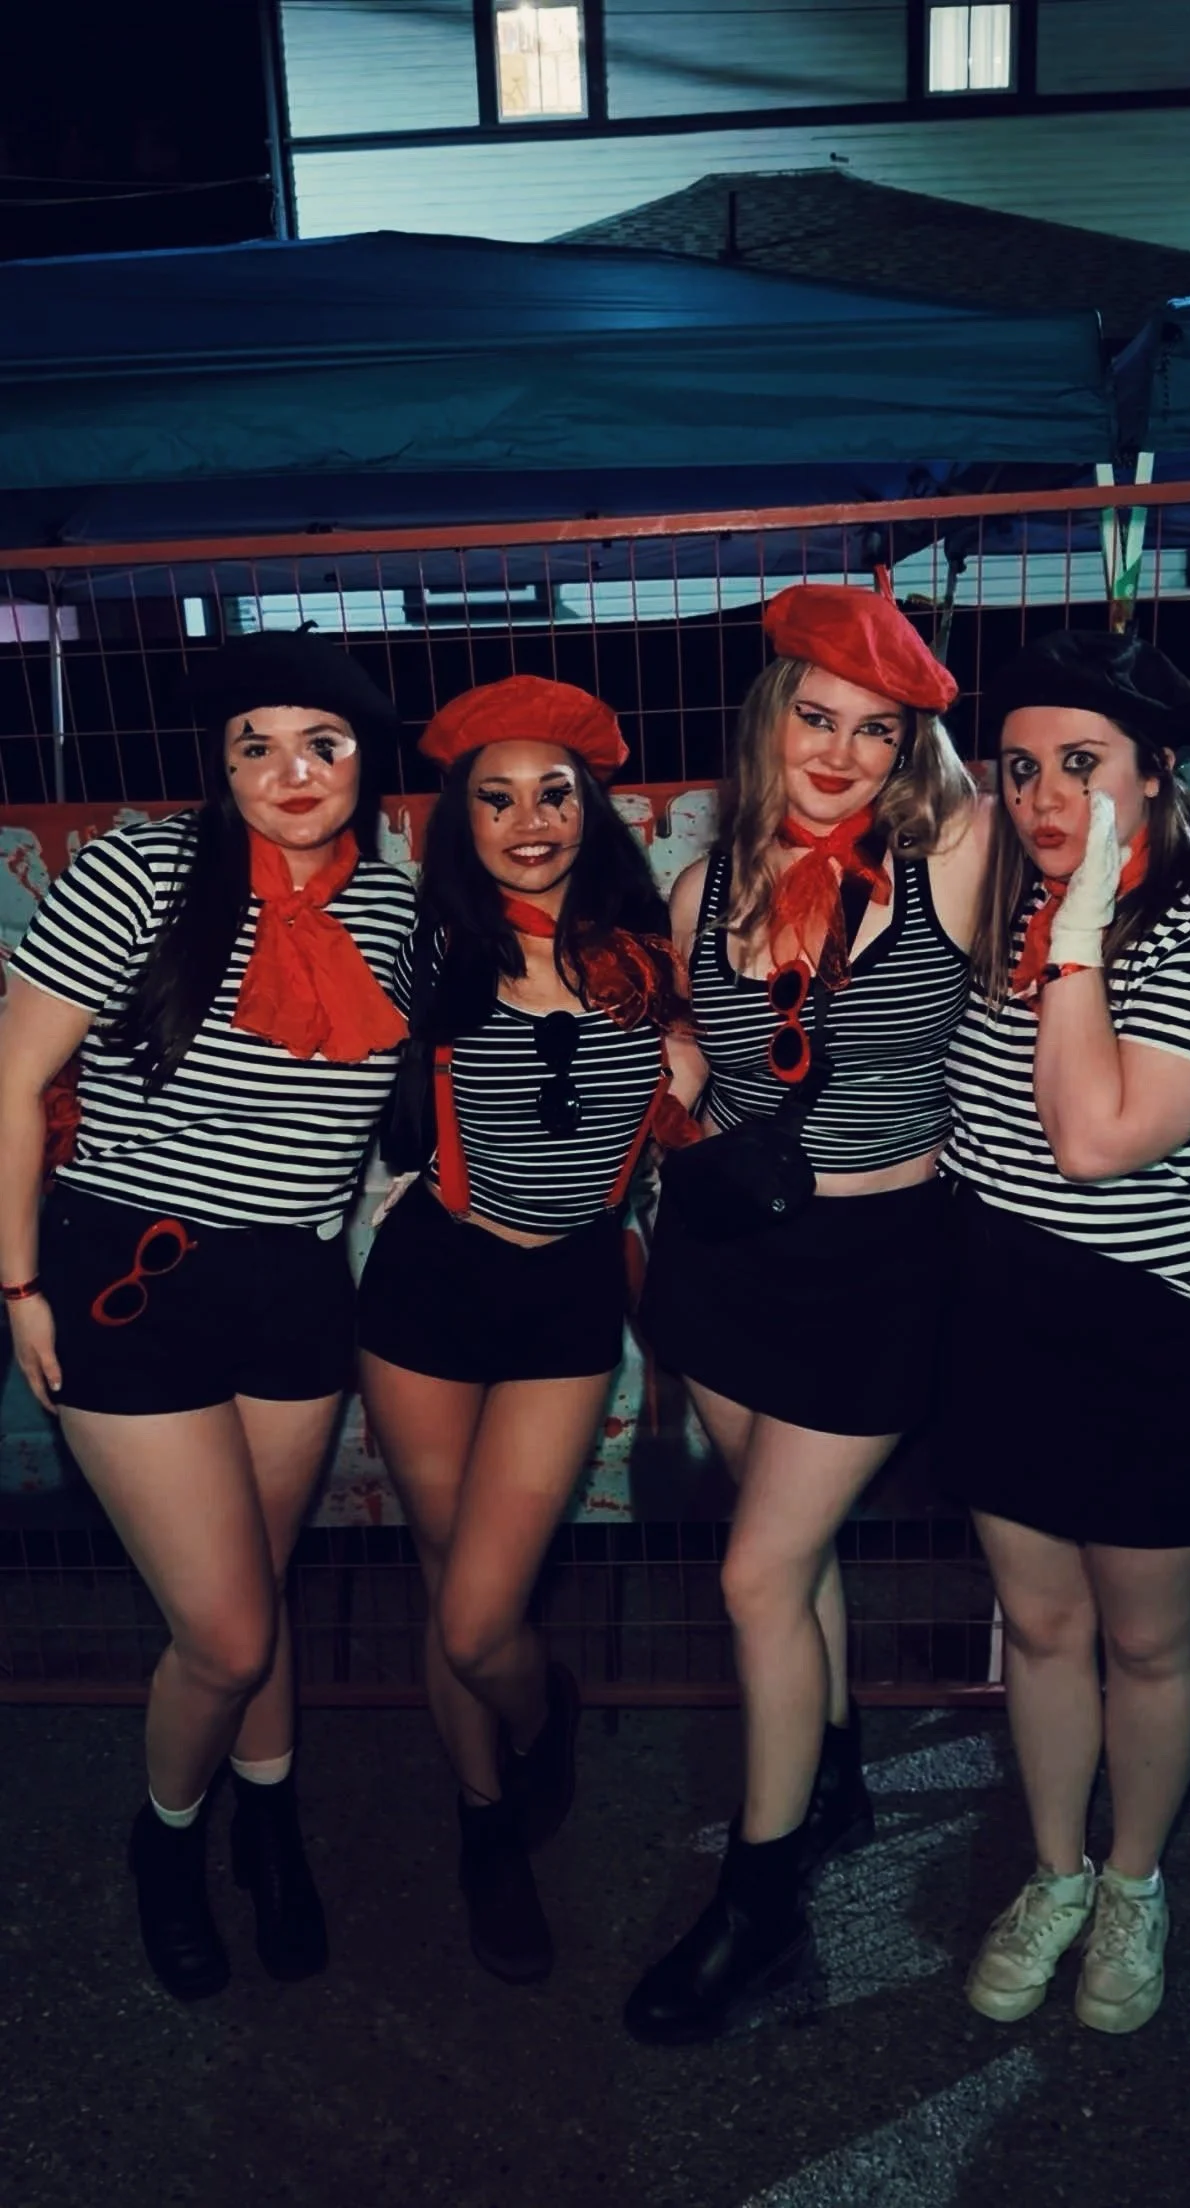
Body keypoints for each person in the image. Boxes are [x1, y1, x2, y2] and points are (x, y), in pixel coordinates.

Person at [0, 630, 415, 2001]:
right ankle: (167, 1841)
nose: (288, 773)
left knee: (259, 1588)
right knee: (226, 1631)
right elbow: (12, 1084)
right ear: (217, 760)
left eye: (322, 744)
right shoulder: (140, 872)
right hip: (130, 1276)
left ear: (366, 761)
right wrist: (15, 1288)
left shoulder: (401, 908)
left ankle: (272, 1822)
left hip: (291, 1283)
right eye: (255, 745)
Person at [623, 579, 991, 2044]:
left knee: (755, 1578)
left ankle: (760, 1909)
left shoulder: (947, 854)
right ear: (770, 722)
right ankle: (831, 1774)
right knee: (790, 1543)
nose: (838, 754)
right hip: (725, 1262)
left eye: (875, 730)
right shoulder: (697, 887)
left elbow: (1077, 802)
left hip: (878, 1266)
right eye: (816, 720)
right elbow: (697, 1060)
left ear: (909, 750)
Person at [359, 672, 691, 1987]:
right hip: (427, 1289)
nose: (528, 818)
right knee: (449, 1589)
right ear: (461, 819)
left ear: (592, 805)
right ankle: (484, 1820)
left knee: (479, 1619)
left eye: (553, 790)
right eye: (495, 798)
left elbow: (724, 1098)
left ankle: (539, 1714)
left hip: (564, 1296)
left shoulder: (650, 954)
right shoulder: (427, 946)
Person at [941, 629, 1190, 2035]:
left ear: (1156, 776)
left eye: (1081, 765)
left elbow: (1090, 1138)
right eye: (1019, 770)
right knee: (1040, 1623)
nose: (1045, 797)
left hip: (1160, 1337)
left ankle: (1132, 1882)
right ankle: (1053, 1872)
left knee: (1146, 1643)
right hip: (1003, 1316)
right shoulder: (1000, 905)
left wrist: (1075, 938)